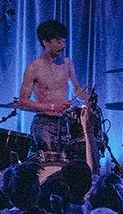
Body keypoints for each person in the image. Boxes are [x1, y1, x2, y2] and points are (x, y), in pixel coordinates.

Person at [18, 19, 92, 161]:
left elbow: (76, 88)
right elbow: (23, 101)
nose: (63, 45)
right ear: (46, 42)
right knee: (48, 157)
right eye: (58, 41)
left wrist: (89, 98)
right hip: (43, 122)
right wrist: (52, 106)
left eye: (64, 41)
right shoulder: (34, 68)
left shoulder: (67, 63)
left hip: (64, 121)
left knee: (74, 156)